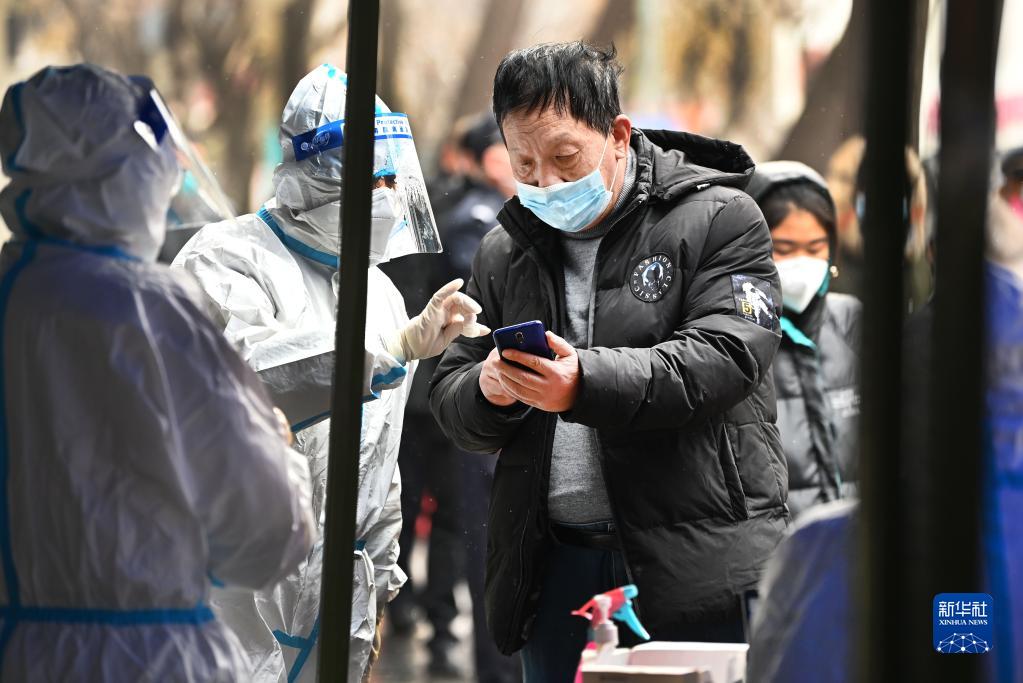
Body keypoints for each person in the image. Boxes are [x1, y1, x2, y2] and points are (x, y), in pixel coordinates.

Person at [429, 42, 789, 682]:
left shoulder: (721, 218)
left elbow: (728, 354)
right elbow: (450, 394)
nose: (545, 182)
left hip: (689, 558)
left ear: (618, 135)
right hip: (554, 567)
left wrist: (583, 384)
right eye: (524, 163)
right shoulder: (504, 250)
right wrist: (487, 390)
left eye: (565, 158)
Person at [173, 63, 488, 682]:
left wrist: (383, 575)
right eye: (375, 178)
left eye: (395, 179)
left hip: (342, 600)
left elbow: (381, 462)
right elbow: (249, 381)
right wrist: (387, 351)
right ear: (319, 175)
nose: (390, 196)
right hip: (239, 597)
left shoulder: (380, 293)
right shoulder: (225, 260)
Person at [0, 64, 316, 681]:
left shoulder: (13, 297)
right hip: (150, 660)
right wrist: (281, 451)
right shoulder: (154, 311)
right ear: (128, 173)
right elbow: (265, 533)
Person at [745, 161, 861, 519]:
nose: (801, 262)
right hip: (784, 547)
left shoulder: (850, 321)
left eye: (814, 248)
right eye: (783, 248)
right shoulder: (737, 337)